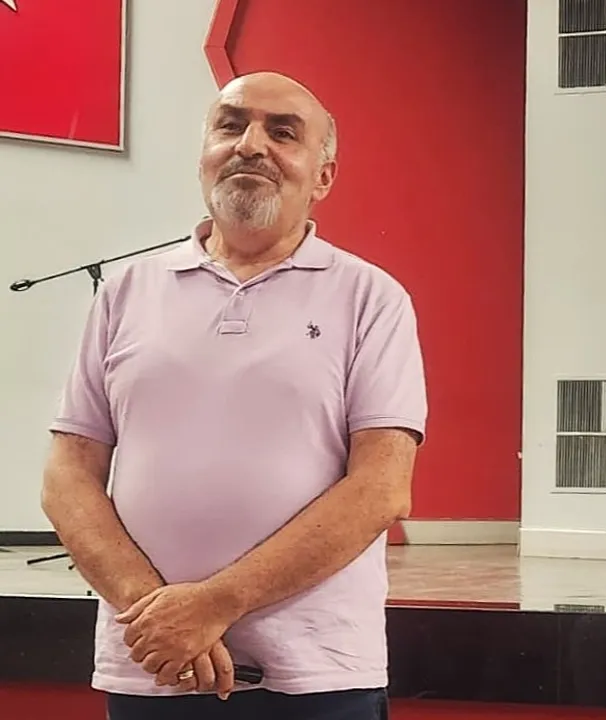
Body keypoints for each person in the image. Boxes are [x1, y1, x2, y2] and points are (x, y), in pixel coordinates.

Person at [39, 71, 427, 720]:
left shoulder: (370, 298)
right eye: (231, 125)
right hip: (152, 664)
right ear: (204, 156)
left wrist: (215, 603)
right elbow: (67, 475)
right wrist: (157, 615)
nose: (251, 144)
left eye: (283, 132)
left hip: (316, 675)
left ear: (323, 177)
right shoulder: (126, 293)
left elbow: (382, 488)